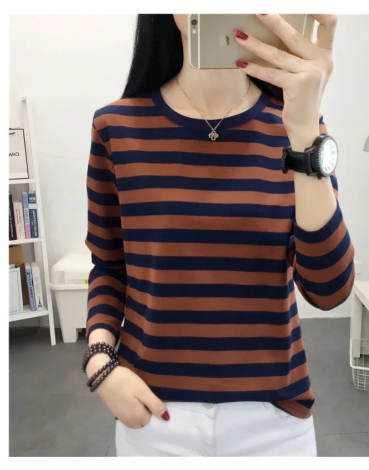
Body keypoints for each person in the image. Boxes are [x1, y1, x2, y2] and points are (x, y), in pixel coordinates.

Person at [83, 13, 354, 457]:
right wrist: (100, 364)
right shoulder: (116, 127)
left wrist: (305, 133)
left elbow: (329, 291)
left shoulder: (298, 128)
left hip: (274, 421)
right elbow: (110, 267)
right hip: (153, 415)